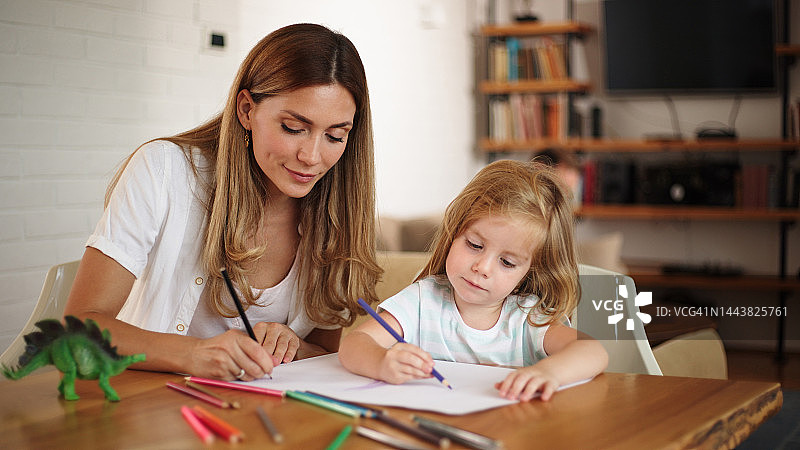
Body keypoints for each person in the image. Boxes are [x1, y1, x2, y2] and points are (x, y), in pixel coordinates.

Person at [64, 23, 382, 381]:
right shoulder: (164, 170)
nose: (311, 156)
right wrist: (194, 354)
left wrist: (292, 345)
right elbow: (79, 329)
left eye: (335, 136)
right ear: (246, 110)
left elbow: (323, 353)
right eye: (293, 128)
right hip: (149, 408)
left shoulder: (337, 212)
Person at [339, 159, 608, 401]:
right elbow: (354, 345)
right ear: (454, 233)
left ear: (529, 270)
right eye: (475, 245)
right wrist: (381, 361)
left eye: (507, 262)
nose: (482, 267)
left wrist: (549, 372)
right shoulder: (422, 301)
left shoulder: (528, 317)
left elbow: (593, 351)